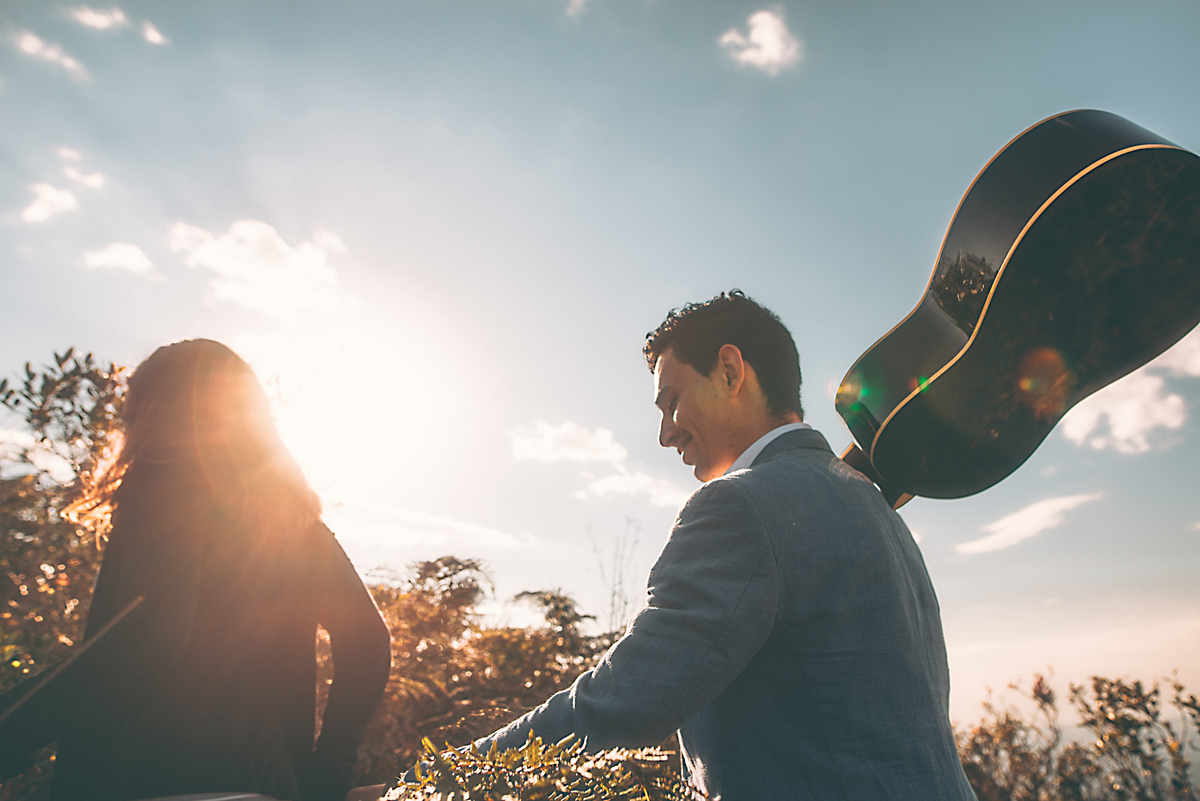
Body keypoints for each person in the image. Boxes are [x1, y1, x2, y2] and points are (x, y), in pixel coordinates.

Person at [472, 291, 976, 800]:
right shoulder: (871, 505)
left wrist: (449, 777)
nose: (666, 434)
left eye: (672, 401)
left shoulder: (740, 507)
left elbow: (624, 698)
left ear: (731, 371)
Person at [0, 340, 392, 801]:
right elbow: (368, 640)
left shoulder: (161, 478)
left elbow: (147, 639)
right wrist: (324, 779)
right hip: (263, 784)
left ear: (154, 408)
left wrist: (10, 728)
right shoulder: (290, 519)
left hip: (141, 779)